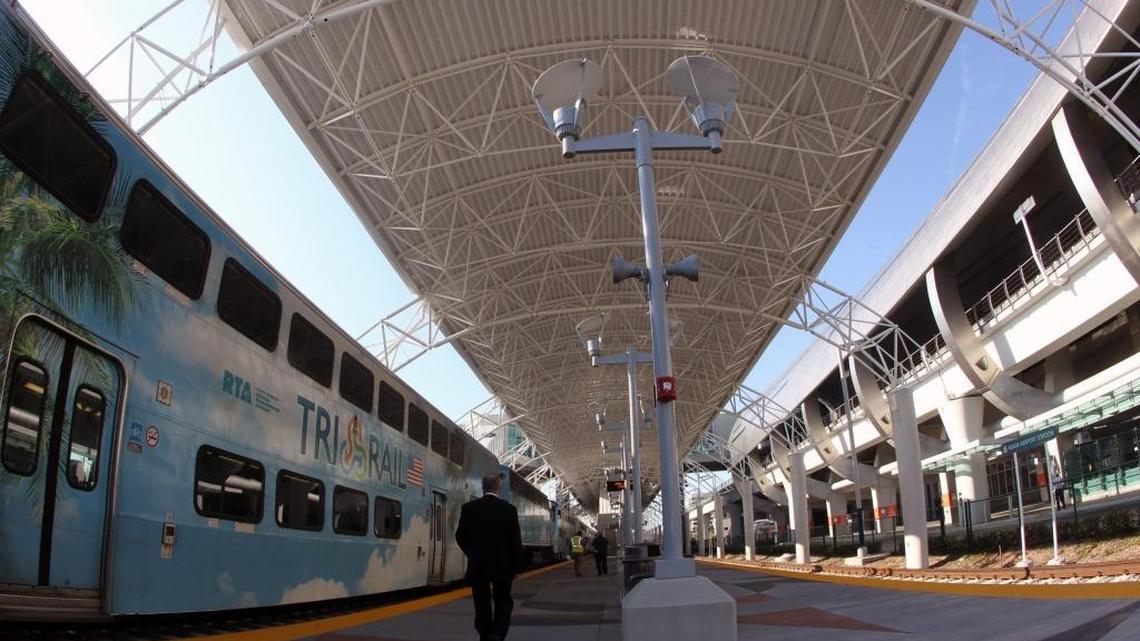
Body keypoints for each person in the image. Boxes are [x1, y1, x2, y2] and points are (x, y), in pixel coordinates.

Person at [456, 472, 524, 641]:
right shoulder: (509, 510)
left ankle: (485, 635)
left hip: (478, 566)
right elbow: (515, 541)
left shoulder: (469, 509)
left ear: (483, 487)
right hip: (503, 566)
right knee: (503, 601)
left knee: (482, 604)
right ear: (499, 489)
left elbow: (460, 536)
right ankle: (498, 633)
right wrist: (517, 567)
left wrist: (473, 554)